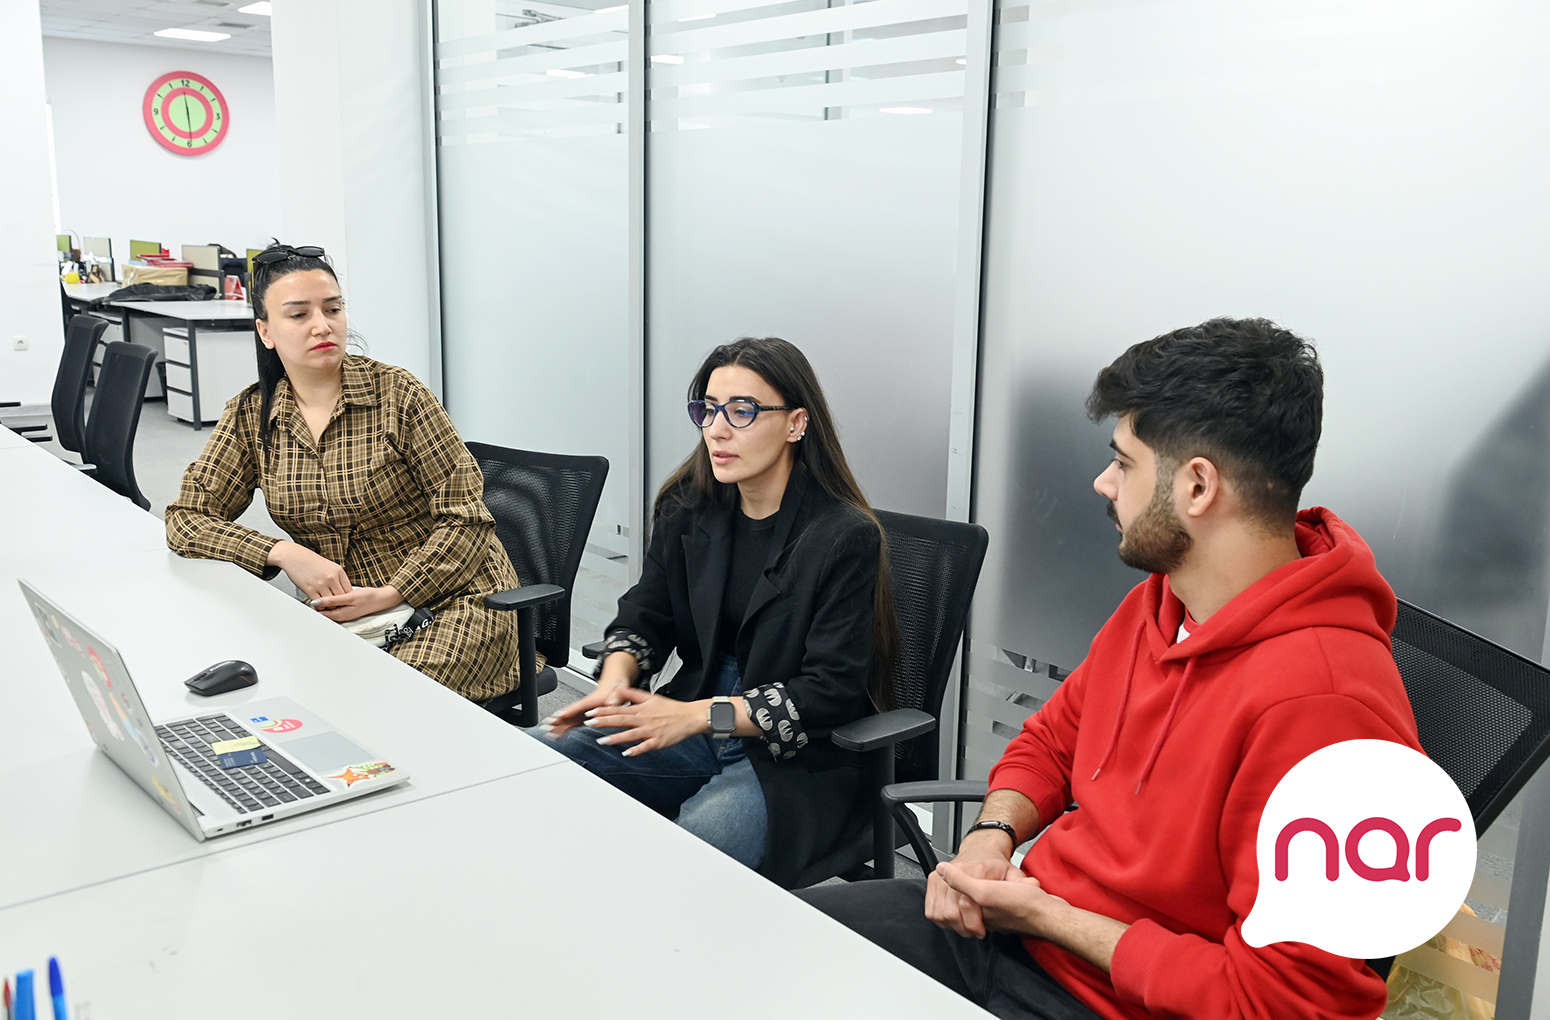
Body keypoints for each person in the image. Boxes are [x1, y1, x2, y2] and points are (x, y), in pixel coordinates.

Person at [799, 318, 1423, 1020]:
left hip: (1112, 1001)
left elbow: (1291, 1005)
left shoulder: (1329, 708)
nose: (1103, 483)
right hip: (1015, 938)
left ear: (1198, 486)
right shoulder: (1161, 603)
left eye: (1124, 463)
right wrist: (989, 838)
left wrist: (1049, 916)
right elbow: (1051, 741)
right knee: (774, 945)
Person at [542, 335, 897, 884]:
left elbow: (829, 692)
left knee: (688, 858)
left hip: (793, 758)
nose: (717, 429)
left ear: (796, 423)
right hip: (692, 719)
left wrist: (701, 715)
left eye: (742, 411)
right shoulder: (688, 508)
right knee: (535, 762)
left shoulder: (843, 536)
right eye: (707, 410)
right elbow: (645, 615)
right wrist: (613, 685)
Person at [165, 243, 528, 703]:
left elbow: (467, 518)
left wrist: (394, 592)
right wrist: (282, 553)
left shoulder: (398, 395)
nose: (322, 326)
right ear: (266, 331)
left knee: (379, 699)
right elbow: (187, 518)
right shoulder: (252, 414)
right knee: (282, 695)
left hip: (456, 598)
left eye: (333, 309)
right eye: (299, 314)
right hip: (347, 613)